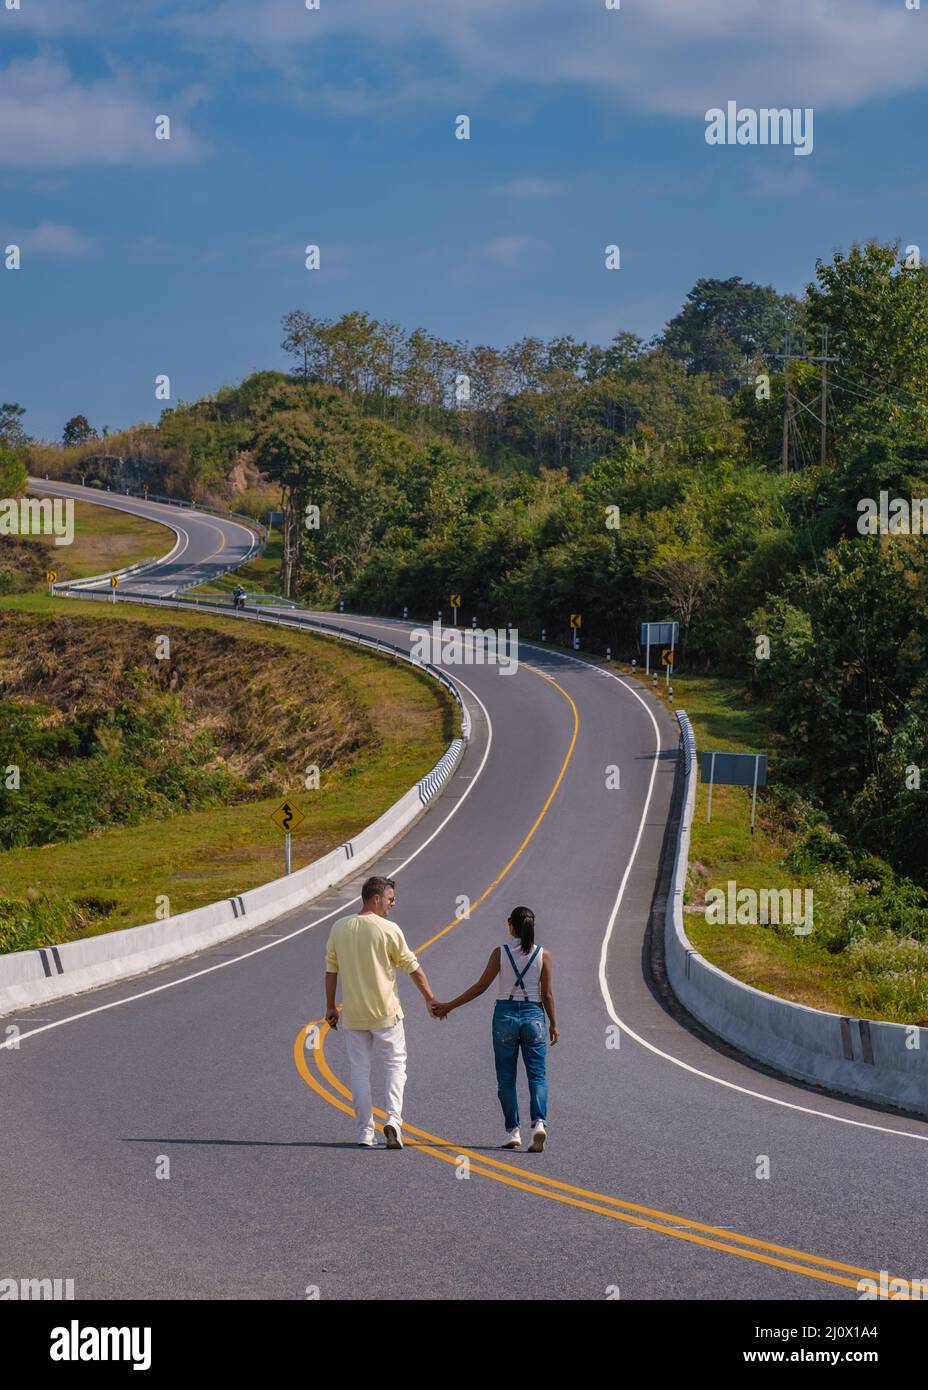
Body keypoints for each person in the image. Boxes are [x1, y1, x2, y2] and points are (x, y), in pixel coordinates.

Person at [324, 876, 437, 1149]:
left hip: (353, 1015)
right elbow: (414, 968)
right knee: (395, 1066)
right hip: (386, 1015)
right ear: (376, 898)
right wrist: (430, 999)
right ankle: (393, 1122)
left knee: (359, 1072)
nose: (393, 903)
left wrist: (330, 1007)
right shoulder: (389, 929)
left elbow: (331, 971)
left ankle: (365, 1133)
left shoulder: (339, 928)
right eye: (390, 898)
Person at [433, 906, 557, 1151]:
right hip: (534, 1016)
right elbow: (547, 994)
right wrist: (554, 1023)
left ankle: (513, 1131)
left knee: (506, 1078)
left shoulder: (500, 953)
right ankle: (539, 1124)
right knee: (537, 1076)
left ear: (511, 926)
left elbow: (481, 986)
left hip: (505, 1016)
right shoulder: (543, 955)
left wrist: (450, 1006)